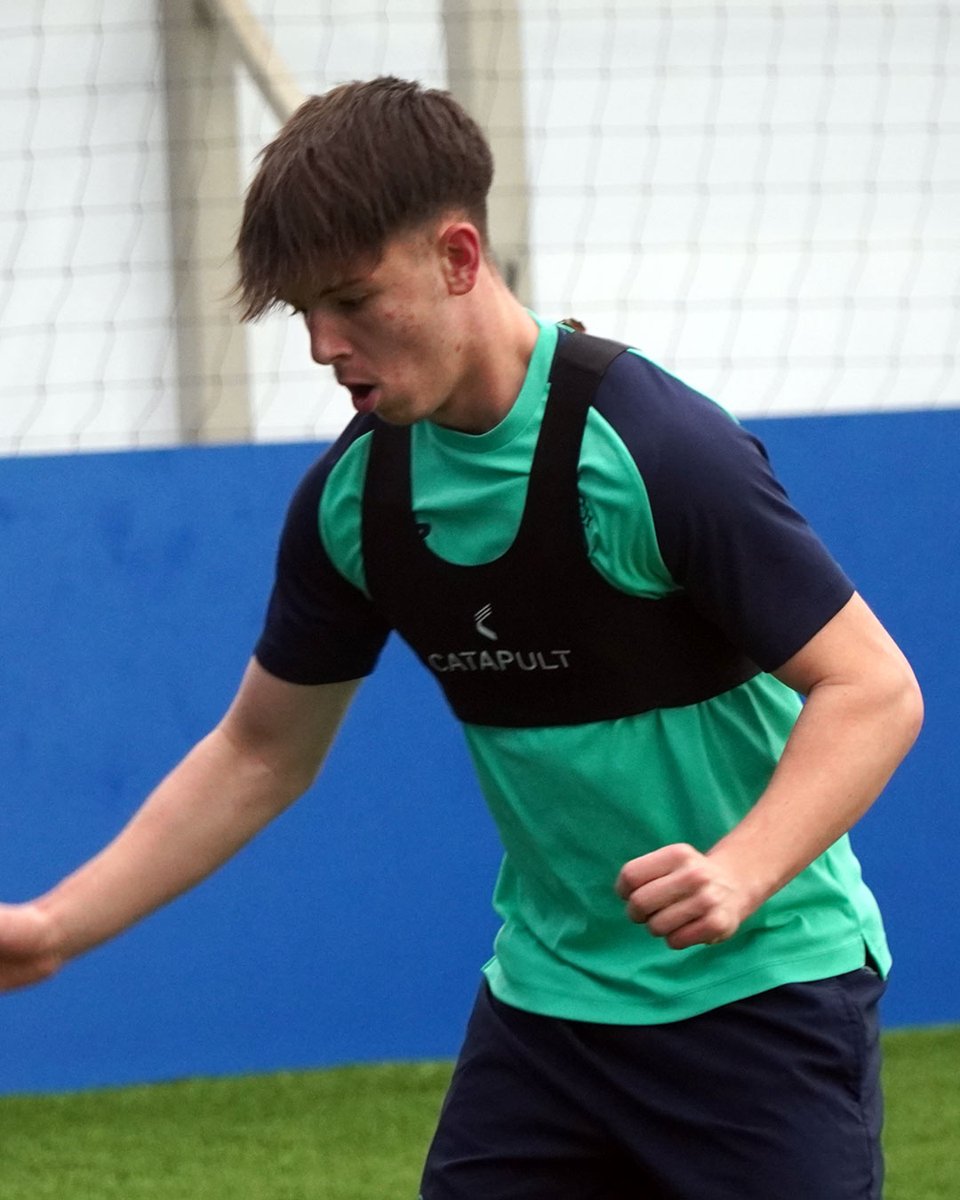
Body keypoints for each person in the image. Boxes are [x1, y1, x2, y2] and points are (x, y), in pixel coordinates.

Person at [0, 77, 922, 1199]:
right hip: (548, 1018)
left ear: (458, 255)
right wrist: (53, 928)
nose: (324, 347)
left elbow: (874, 689)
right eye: (304, 314)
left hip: (763, 996)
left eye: (350, 299)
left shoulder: (655, 450)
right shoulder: (355, 501)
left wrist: (740, 868)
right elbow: (258, 751)